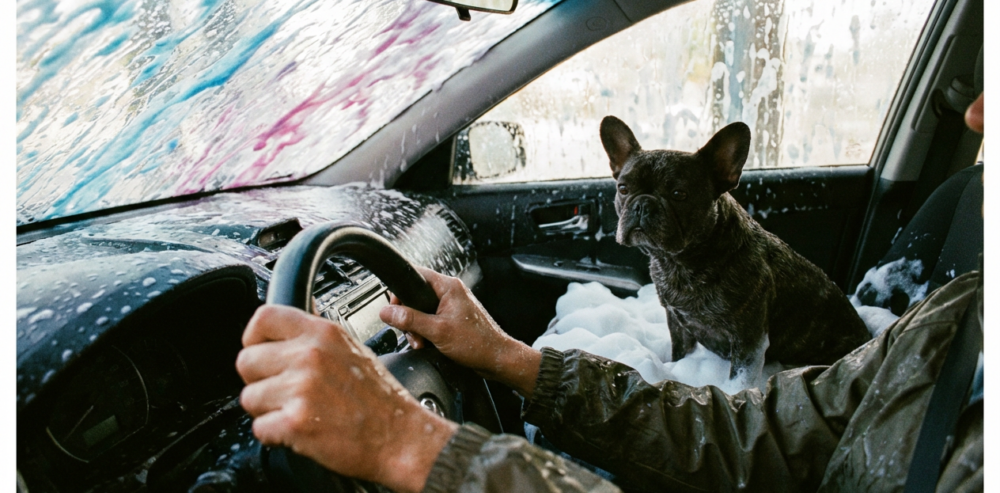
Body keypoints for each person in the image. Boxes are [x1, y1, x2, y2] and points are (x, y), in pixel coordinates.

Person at [237, 92, 983, 493]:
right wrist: (511, 359)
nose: (978, 116)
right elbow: (757, 436)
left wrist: (409, 445)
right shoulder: (959, 319)